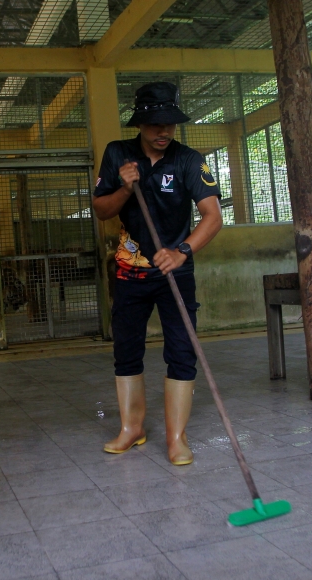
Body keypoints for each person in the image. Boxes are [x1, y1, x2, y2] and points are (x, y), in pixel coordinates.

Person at [92, 82, 223, 466]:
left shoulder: (189, 160)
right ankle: (132, 428)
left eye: (169, 124)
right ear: (141, 123)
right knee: (126, 350)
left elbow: (213, 216)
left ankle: (176, 438)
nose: (163, 131)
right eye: (154, 124)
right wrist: (126, 189)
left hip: (174, 275)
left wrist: (182, 251)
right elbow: (101, 209)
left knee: (181, 352)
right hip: (130, 272)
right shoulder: (118, 153)